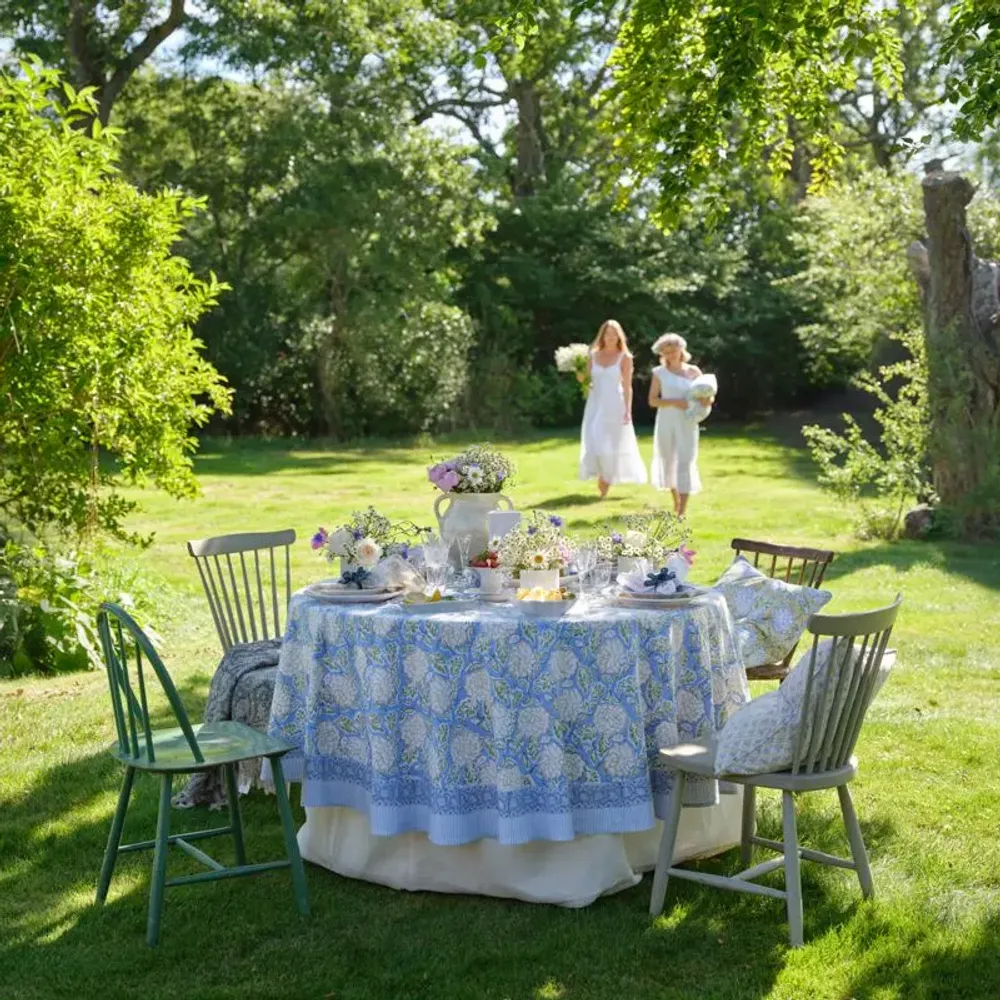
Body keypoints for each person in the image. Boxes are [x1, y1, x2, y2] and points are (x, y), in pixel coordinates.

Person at [578, 319, 647, 498]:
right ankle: (602, 477)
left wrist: (627, 410)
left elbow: (627, 386)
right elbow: (586, 382)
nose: (610, 337)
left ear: (619, 336)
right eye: (607, 333)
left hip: (615, 404)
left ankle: (605, 483)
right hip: (595, 403)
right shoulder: (593, 355)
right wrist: (579, 373)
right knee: (594, 440)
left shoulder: (625, 357)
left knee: (610, 445)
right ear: (602, 336)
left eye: (614, 334)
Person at [648, 333, 703, 515]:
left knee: (685, 461)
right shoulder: (659, 373)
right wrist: (674, 402)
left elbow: (706, 394)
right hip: (666, 421)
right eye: (667, 351)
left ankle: (682, 510)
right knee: (668, 460)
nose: (671, 354)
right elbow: (653, 400)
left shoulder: (694, 371)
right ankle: (676, 501)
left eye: (674, 350)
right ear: (662, 354)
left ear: (681, 350)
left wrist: (705, 402)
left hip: (687, 421)